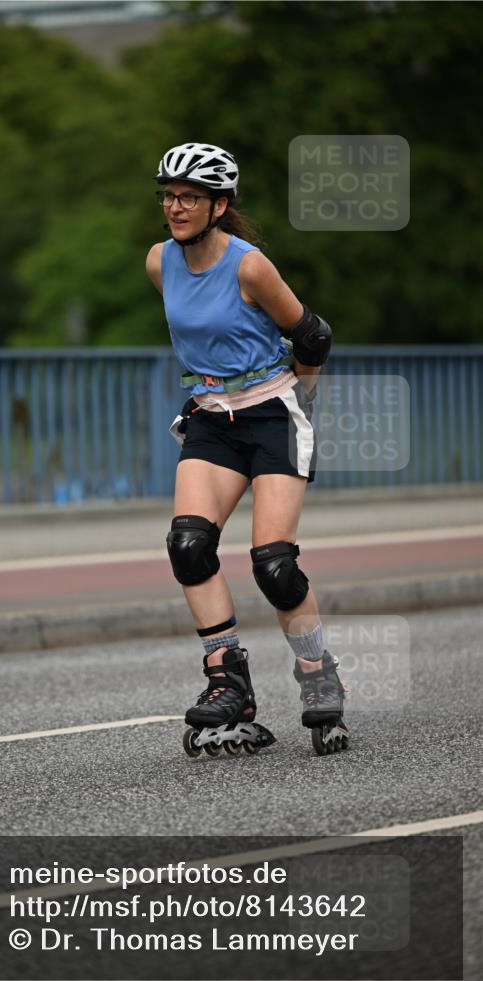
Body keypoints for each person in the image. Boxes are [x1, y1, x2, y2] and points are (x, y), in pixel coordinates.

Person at [145, 142, 349, 757]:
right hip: (212, 418)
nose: (175, 207)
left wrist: (303, 399)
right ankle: (228, 682)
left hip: (273, 415)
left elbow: (312, 333)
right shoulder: (159, 262)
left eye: (190, 198)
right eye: (169, 196)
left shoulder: (249, 266)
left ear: (220, 204)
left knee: (274, 566)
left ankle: (317, 674)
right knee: (189, 545)